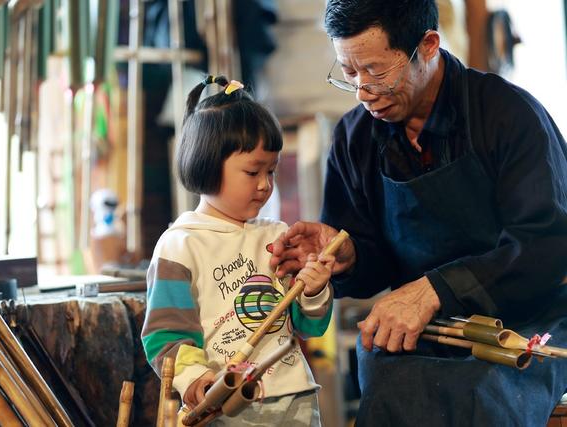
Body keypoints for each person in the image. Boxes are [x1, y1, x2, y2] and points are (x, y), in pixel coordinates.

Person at [269, 1, 567, 425]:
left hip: (527, 321)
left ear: (427, 46)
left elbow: (544, 247)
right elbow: (376, 260)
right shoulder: (355, 138)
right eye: (349, 72)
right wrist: (350, 254)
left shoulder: (508, 116)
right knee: (391, 387)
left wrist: (433, 290)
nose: (362, 91)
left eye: (375, 71)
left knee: (480, 395)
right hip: (426, 330)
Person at [141, 75, 336, 426]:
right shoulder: (180, 245)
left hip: (295, 398)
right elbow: (165, 335)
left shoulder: (278, 236)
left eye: (272, 170)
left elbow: (309, 327)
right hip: (229, 405)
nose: (265, 184)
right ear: (207, 163)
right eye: (252, 171)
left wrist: (315, 290)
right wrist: (197, 380)